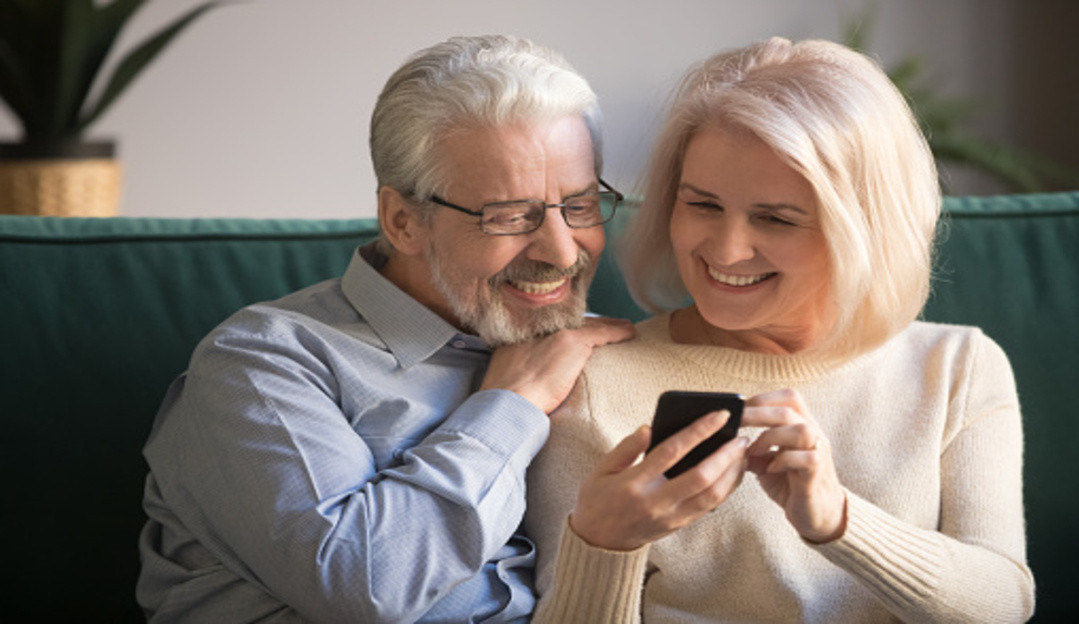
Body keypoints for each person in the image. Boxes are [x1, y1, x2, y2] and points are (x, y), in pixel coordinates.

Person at [525, 37, 1035, 623]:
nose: (725, 248)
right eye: (703, 206)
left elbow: (1004, 606)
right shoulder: (593, 382)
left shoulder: (956, 368)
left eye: (774, 218)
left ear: (866, 230)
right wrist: (603, 543)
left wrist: (840, 520)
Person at [136, 34, 634, 623]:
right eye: (509, 216)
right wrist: (512, 404)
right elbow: (364, 585)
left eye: (578, 206)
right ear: (403, 222)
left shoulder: (600, 350)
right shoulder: (262, 364)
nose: (560, 250)